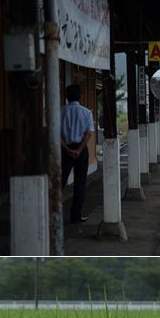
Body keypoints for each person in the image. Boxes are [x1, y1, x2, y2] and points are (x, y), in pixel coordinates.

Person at [60, 84, 95, 224]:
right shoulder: (87, 112)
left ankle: (52, 214)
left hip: (64, 150)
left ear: (66, 96)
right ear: (81, 96)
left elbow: (56, 133)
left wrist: (67, 150)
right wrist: (79, 150)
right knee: (80, 183)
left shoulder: (60, 111)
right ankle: (76, 216)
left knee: (59, 182)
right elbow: (88, 133)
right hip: (81, 150)